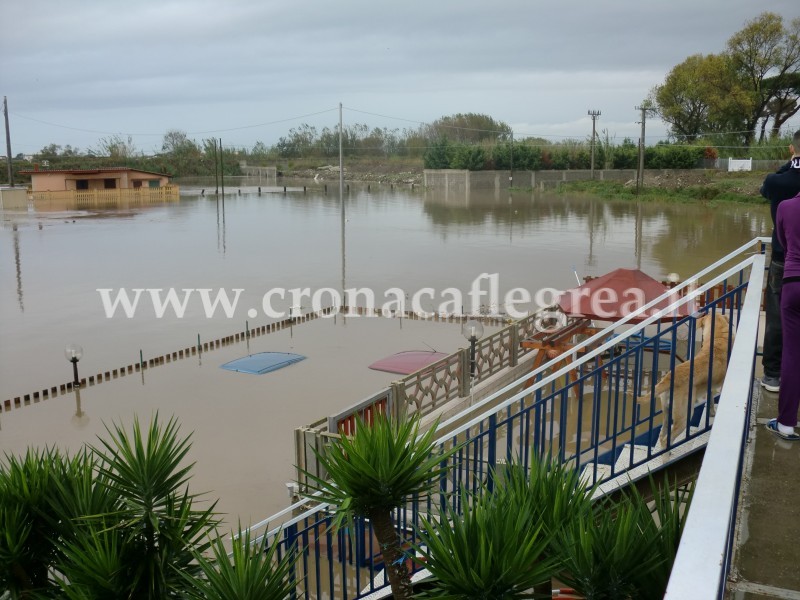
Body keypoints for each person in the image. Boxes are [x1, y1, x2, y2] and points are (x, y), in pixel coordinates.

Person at [759, 130, 800, 393]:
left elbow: (765, 190)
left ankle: (773, 375)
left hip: (783, 260)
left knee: (776, 318)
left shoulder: (777, 182)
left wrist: (792, 161)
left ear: (790, 149)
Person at [767, 188, 800, 440]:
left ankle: (786, 424)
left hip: (793, 283)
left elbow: (783, 241)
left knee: (792, 354)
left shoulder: (785, 207)